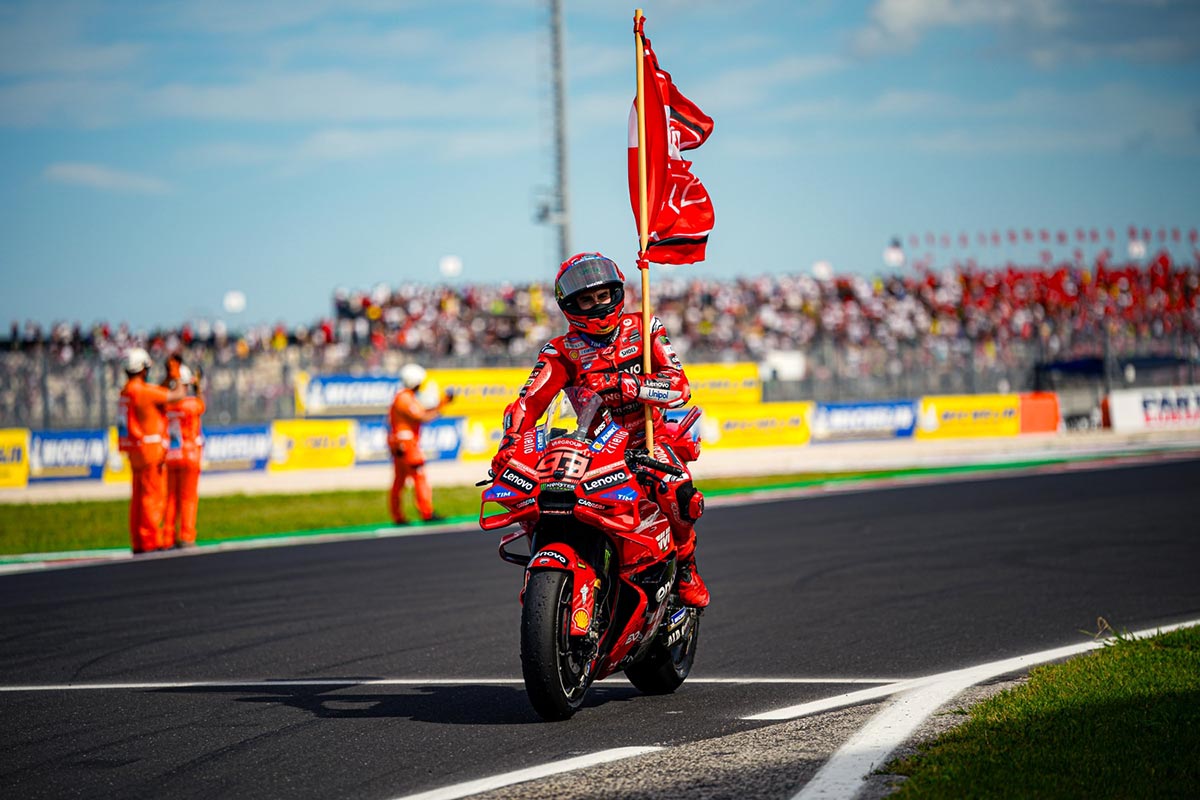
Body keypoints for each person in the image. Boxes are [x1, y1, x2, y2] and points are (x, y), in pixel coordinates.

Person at [490, 252, 709, 607]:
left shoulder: (646, 328)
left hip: (649, 438)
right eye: (587, 299)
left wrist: (630, 384)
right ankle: (542, 575)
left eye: (603, 296)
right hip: (592, 446)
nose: (597, 304)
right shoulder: (561, 351)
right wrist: (510, 443)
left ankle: (685, 566)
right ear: (570, 305)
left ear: (616, 293)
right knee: (539, 496)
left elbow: (679, 387)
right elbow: (528, 403)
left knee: (678, 492)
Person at [118, 348, 186, 554]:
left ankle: (139, 540)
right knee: (153, 497)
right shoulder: (142, 391)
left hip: (136, 451)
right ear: (142, 369)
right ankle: (151, 542)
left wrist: (166, 378)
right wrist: (176, 376)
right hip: (150, 450)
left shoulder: (128, 391)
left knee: (138, 498)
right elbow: (177, 395)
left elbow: (158, 395)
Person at [388, 363, 453, 525]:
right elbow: (422, 416)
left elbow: (423, 412)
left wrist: (442, 403)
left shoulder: (405, 397)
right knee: (419, 477)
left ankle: (398, 516)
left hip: (401, 443)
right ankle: (426, 513)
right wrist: (442, 406)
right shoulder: (404, 398)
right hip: (406, 444)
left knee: (400, 480)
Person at [164, 364, 205, 549]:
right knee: (188, 498)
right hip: (189, 454)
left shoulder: (167, 404)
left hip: (171, 455)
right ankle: (187, 536)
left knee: (171, 498)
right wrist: (197, 386)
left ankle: (167, 536)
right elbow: (201, 404)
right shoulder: (192, 404)